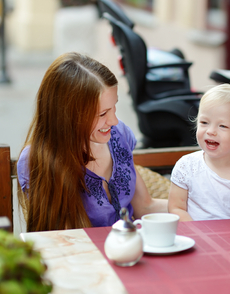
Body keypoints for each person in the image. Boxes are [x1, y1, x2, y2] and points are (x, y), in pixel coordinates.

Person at [17, 52, 167, 232]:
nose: (114, 121)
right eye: (102, 114)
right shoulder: (37, 160)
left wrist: (197, 201)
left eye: (114, 107)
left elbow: (145, 207)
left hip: (127, 250)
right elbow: (61, 238)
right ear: (68, 116)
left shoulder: (118, 135)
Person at [168, 84, 230, 221]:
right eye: (204, 122)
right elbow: (176, 208)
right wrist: (199, 234)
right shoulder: (186, 166)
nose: (211, 131)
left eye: (222, 125)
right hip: (197, 238)